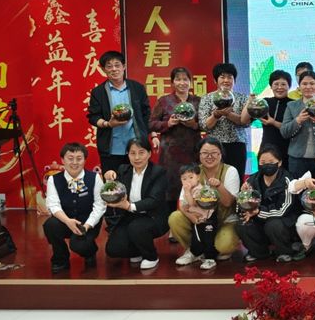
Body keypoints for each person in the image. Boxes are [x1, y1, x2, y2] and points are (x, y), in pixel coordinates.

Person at [170, 137, 241, 270]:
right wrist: (192, 217)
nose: (209, 156)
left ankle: (213, 251)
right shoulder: (193, 172)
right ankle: (195, 251)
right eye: (205, 153)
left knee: (224, 246)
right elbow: (182, 203)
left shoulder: (230, 171)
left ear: (221, 154)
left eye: (214, 153)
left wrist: (219, 186)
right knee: (175, 218)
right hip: (199, 219)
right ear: (199, 154)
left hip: (224, 220)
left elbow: (228, 203)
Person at [236, 144, 311, 263]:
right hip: (260, 219)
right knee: (242, 223)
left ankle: (284, 251)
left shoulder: (287, 180)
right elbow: (240, 207)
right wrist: (243, 196)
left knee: (273, 224)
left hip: (283, 221)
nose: (267, 165)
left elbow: (283, 210)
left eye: (271, 162)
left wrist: (259, 212)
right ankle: (259, 252)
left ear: (279, 162)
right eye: (263, 162)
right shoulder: (251, 180)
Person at [102, 137, 168, 270]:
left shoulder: (158, 172)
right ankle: (138, 250)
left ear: (149, 153)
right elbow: (115, 189)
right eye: (132, 153)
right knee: (113, 249)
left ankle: (151, 256)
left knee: (136, 228)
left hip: (153, 217)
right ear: (128, 155)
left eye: (141, 152)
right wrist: (109, 178)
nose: (137, 157)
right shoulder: (123, 169)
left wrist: (129, 206)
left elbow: (154, 200)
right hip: (130, 216)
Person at [44, 143, 106, 273]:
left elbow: (100, 205)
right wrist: (67, 221)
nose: (74, 162)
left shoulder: (95, 178)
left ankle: (90, 252)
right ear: (62, 160)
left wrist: (87, 226)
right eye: (70, 158)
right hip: (66, 220)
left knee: (79, 245)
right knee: (50, 225)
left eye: (79, 158)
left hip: (88, 222)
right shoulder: (53, 180)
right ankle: (60, 258)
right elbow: (53, 205)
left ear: (85, 160)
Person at [87, 50, 151, 174]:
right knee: (112, 183)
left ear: (124, 67)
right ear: (103, 69)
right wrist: (108, 124)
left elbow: (146, 113)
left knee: (138, 182)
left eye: (117, 65)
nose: (114, 69)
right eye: (109, 66)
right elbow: (93, 117)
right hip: (111, 149)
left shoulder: (137, 88)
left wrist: (148, 136)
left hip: (136, 148)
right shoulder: (98, 92)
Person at [148, 66, 201, 214]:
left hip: (193, 152)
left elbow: (207, 124)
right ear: (172, 82)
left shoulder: (198, 101)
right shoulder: (164, 101)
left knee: (194, 187)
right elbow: (151, 124)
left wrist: (194, 124)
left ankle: (194, 218)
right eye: (178, 79)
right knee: (170, 190)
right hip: (170, 155)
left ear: (190, 82)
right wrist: (168, 124)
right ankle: (171, 221)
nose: (182, 83)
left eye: (185, 79)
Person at [198, 63, 249, 180]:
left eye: (230, 77)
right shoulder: (207, 98)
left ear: (234, 80)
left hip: (237, 144)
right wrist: (216, 115)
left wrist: (228, 114)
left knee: (236, 179)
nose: (226, 80)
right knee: (213, 179)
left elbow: (246, 123)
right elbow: (204, 126)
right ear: (215, 80)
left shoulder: (242, 98)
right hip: (214, 146)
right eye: (222, 77)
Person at [243, 70, 292, 168]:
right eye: (276, 84)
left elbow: (293, 129)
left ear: (289, 86)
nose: (279, 87)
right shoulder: (264, 103)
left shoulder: (293, 105)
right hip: (266, 149)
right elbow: (244, 120)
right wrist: (249, 103)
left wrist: (273, 123)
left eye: (283, 84)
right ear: (271, 86)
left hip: (288, 151)